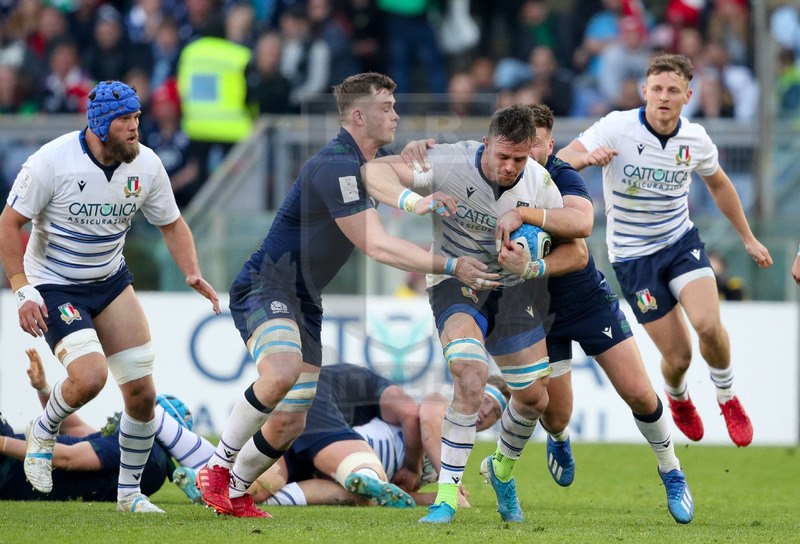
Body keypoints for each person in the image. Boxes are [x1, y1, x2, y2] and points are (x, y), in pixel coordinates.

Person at [195, 72, 498, 519]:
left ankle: (236, 490)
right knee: (281, 370)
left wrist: (421, 161)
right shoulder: (335, 165)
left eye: (395, 107)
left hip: (307, 300)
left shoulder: (369, 165)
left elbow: (415, 180)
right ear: (358, 116)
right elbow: (376, 245)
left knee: (290, 420)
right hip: (268, 284)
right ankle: (216, 469)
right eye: (385, 108)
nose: (395, 115)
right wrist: (451, 264)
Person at [0, 80, 221, 513]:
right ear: (100, 124)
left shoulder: (147, 165)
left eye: (138, 117)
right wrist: (22, 290)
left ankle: (129, 495)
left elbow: (172, 224)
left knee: (141, 395)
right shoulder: (51, 162)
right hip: (57, 284)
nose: (136, 127)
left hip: (111, 280)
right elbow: (8, 225)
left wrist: (192, 272)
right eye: (125, 119)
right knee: (90, 377)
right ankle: (43, 432)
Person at [362, 104, 586, 524]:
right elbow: (374, 172)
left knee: (537, 397)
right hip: (456, 280)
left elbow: (579, 246)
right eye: (503, 156)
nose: (510, 167)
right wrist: (416, 200)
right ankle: (447, 497)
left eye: (519, 159)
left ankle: (501, 471)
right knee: (469, 371)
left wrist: (533, 265)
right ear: (486, 144)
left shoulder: (539, 184)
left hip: (511, 287)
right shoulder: (449, 160)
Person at [556, 54, 773, 448]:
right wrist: (586, 158)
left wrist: (748, 237)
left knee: (708, 324)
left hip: (679, 243)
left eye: (673, 90)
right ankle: (678, 398)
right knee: (679, 358)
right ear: (645, 91)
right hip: (633, 259)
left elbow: (720, 184)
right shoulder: (618, 127)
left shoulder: (696, 140)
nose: (664, 97)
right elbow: (561, 158)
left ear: (687, 96)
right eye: (656, 89)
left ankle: (727, 396)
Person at [496, 103, 693, 524]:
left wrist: (528, 235)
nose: (532, 155)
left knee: (638, 392)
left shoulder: (562, 176)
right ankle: (560, 439)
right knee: (556, 414)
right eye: (525, 147)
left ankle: (672, 472)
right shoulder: (500, 179)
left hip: (586, 300)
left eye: (541, 146)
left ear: (551, 144)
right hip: (537, 312)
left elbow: (581, 240)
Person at [246, 363, 510, 508]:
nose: (486, 412)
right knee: (364, 480)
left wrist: (435, 497)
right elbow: (426, 420)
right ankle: (364, 475)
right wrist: (446, 479)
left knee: (257, 490)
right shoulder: (439, 404)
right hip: (339, 451)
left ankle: (216, 488)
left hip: (328, 471)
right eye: (486, 400)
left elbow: (398, 490)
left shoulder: (457, 452)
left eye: (496, 413)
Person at [0, 348, 216, 504]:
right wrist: (45, 389)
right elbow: (76, 432)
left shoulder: (143, 448)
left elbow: (68, 457)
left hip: (10, 469)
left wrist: (2, 443)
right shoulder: (155, 465)